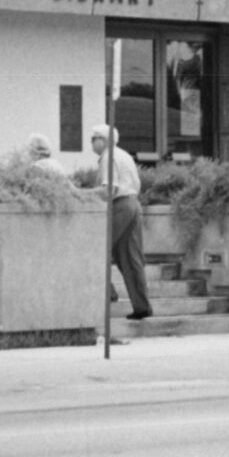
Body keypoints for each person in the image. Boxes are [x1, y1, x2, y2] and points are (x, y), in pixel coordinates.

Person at [89, 123, 154, 321]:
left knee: (96, 248)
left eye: (94, 139)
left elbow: (110, 189)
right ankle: (142, 306)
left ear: (104, 140)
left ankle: (109, 293)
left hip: (119, 206)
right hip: (133, 204)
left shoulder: (109, 157)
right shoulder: (124, 155)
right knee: (131, 257)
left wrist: (82, 194)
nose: (91, 143)